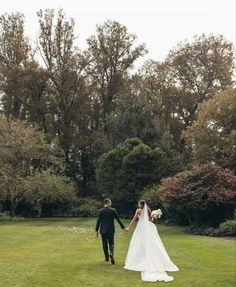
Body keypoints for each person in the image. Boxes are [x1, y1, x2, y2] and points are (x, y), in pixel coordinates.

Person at [124, 200, 179, 282]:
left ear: (140, 204)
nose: (138, 204)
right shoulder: (148, 211)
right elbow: (150, 221)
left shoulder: (138, 210)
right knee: (151, 244)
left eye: (139, 203)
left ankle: (138, 260)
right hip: (149, 228)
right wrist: (153, 217)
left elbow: (134, 219)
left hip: (141, 229)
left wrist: (128, 227)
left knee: (138, 244)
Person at [95, 198, 126, 265]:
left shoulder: (101, 211)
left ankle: (107, 258)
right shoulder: (113, 210)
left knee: (104, 244)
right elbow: (118, 219)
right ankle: (111, 253)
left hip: (103, 230)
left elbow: (98, 221)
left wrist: (96, 230)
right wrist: (123, 227)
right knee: (111, 243)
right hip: (111, 230)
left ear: (104, 203)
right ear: (109, 203)